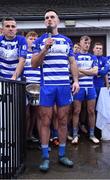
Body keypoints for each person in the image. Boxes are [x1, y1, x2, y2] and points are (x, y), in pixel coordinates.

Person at [31, 9, 79, 172]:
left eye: (52, 17)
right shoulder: (39, 41)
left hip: (64, 86)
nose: (49, 20)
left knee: (63, 120)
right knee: (45, 120)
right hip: (47, 86)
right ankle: (45, 157)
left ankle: (62, 154)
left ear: (58, 21)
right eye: (46, 18)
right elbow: (34, 64)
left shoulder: (66, 41)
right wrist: (45, 49)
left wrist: (77, 80)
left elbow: (72, 62)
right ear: (45, 22)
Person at [72, 35, 100, 144]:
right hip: (79, 87)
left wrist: (80, 70)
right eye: (85, 42)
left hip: (90, 87)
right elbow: (75, 74)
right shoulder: (74, 57)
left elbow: (95, 72)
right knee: (76, 111)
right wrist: (89, 71)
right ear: (80, 43)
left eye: (89, 43)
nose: (87, 45)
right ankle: (75, 135)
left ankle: (92, 135)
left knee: (91, 111)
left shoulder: (93, 57)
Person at [23, 31, 41, 143]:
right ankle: (24, 136)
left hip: (38, 85)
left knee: (36, 113)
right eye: (30, 38)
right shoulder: (23, 53)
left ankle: (30, 135)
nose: (33, 40)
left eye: (35, 39)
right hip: (25, 85)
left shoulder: (40, 53)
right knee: (26, 113)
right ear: (26, 40)